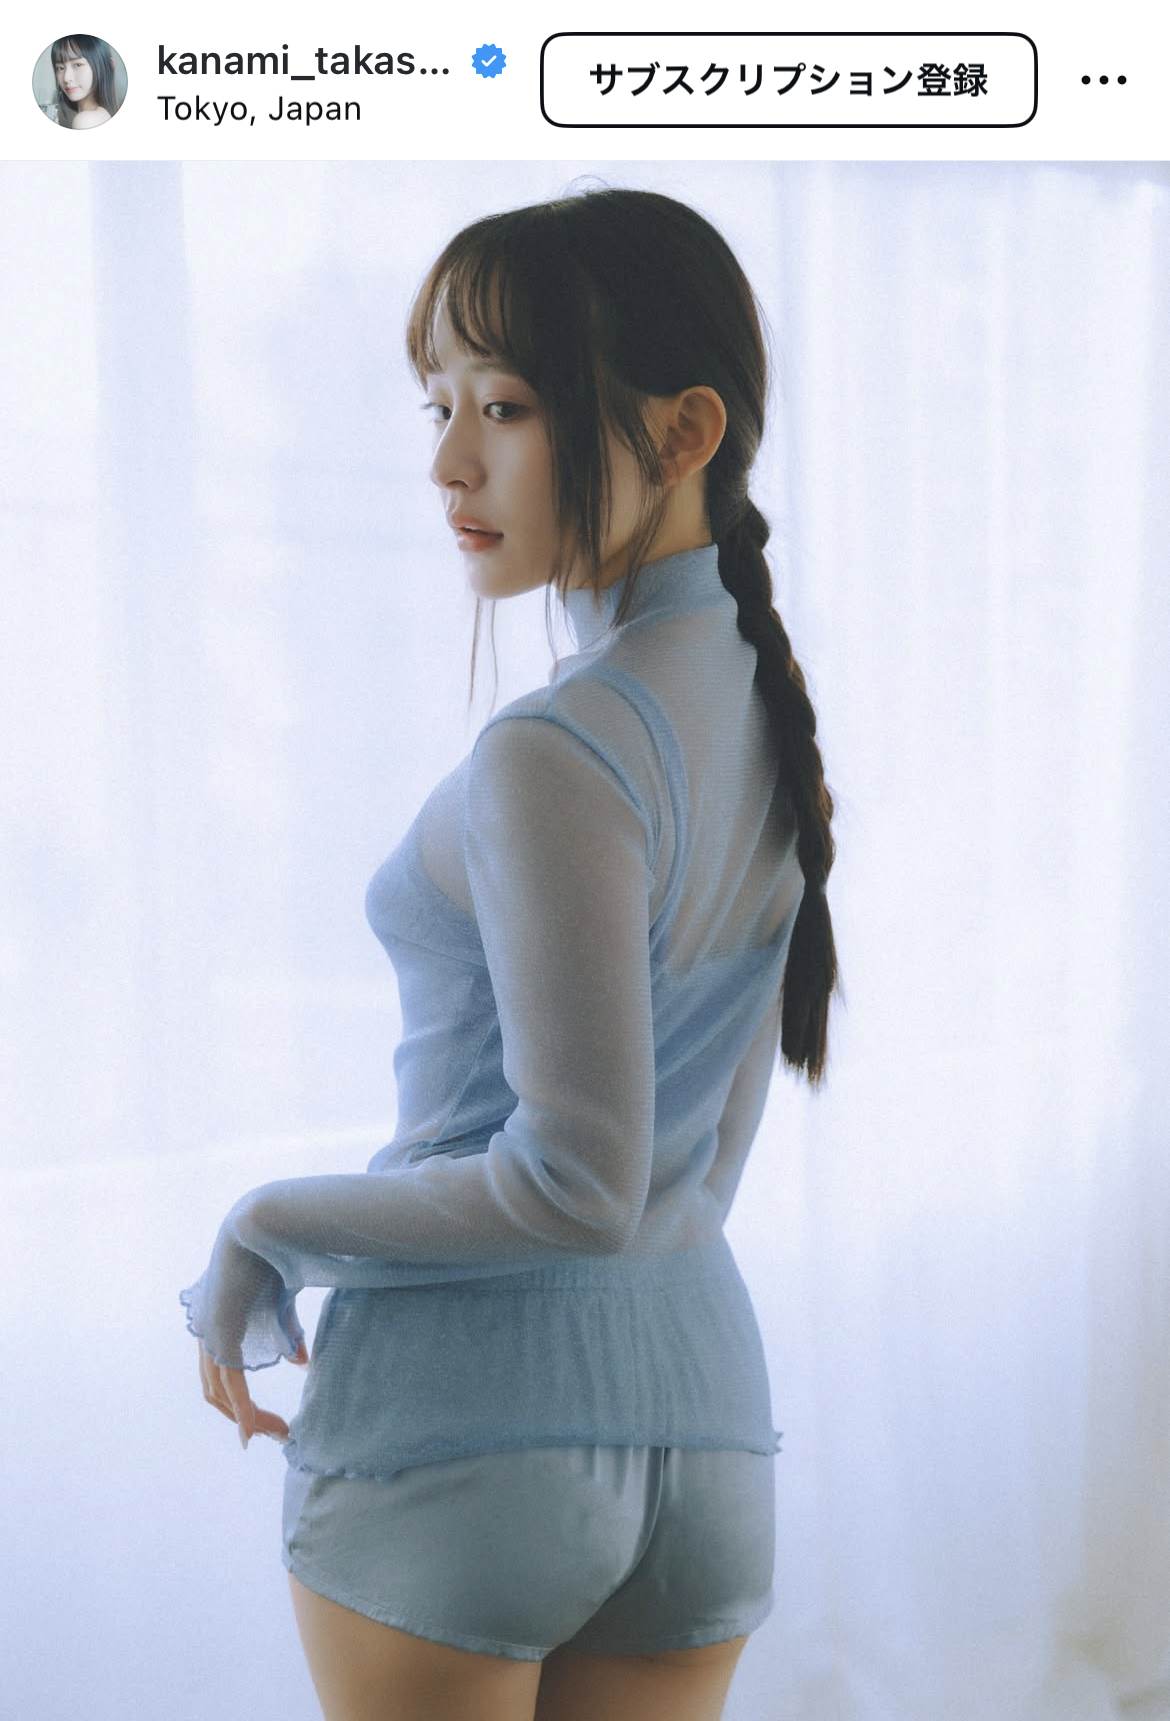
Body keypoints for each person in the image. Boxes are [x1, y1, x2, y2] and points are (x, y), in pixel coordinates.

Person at [183, 186, 838, 1721]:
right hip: (703, 1423)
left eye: (509, 406)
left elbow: (572, 1184)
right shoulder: (766, 718)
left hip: (466, 1428)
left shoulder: (558, 748)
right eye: (443, 404)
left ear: (682, 431)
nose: (449, 463)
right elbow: (685, 1166)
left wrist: (269, 1219)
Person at [51, 35, 120, 129]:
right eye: (60, 68)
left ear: (107, 65)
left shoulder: (85, 121)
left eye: (78, 65)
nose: (66, 78)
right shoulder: (101, 115)